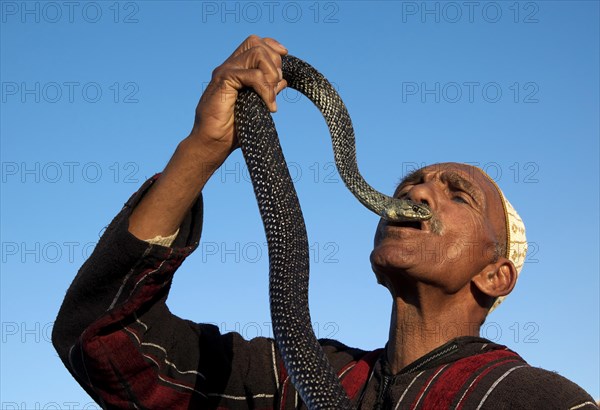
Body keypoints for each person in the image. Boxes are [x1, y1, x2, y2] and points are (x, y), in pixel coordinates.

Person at [52, 35, 597, 409]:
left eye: (459, 196)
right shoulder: (294, 378)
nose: (419, 191)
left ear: (496, 274)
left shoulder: (535, 398)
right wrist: (205, 148)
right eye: (413, 181)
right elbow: (102, 338)